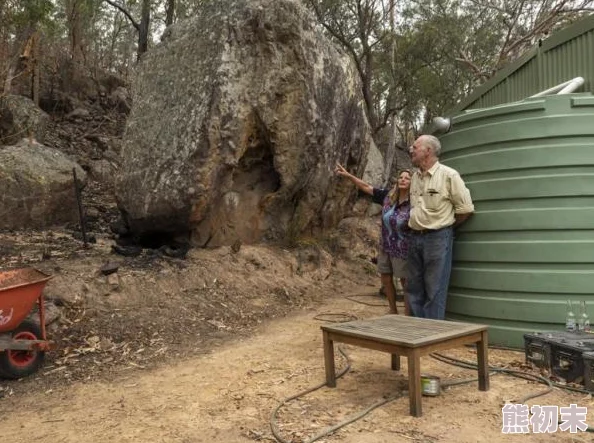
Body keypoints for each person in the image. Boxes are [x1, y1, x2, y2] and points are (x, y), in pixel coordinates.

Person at [407, 135, 474, 320]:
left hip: (437, 238)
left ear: (428, 151)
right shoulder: (415, 177)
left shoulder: (448, 175)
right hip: (414, 238)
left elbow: (465, 209)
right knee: (413, 288)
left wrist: (443, 228)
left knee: (434, 289)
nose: (411, 150)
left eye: (415, 147)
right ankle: (415, 335)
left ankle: (431, 337)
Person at [335, 163, 412, 315]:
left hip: (403, 246)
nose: (403, 180)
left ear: (412, 183)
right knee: (386, 277)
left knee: (404, 281)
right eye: (401, 177)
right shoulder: (388, 196)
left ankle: (408, 314)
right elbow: (366, 187)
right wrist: (348, 175)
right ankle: (392, 310)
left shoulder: (414, 201)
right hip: (385, 246)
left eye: (407, 178)